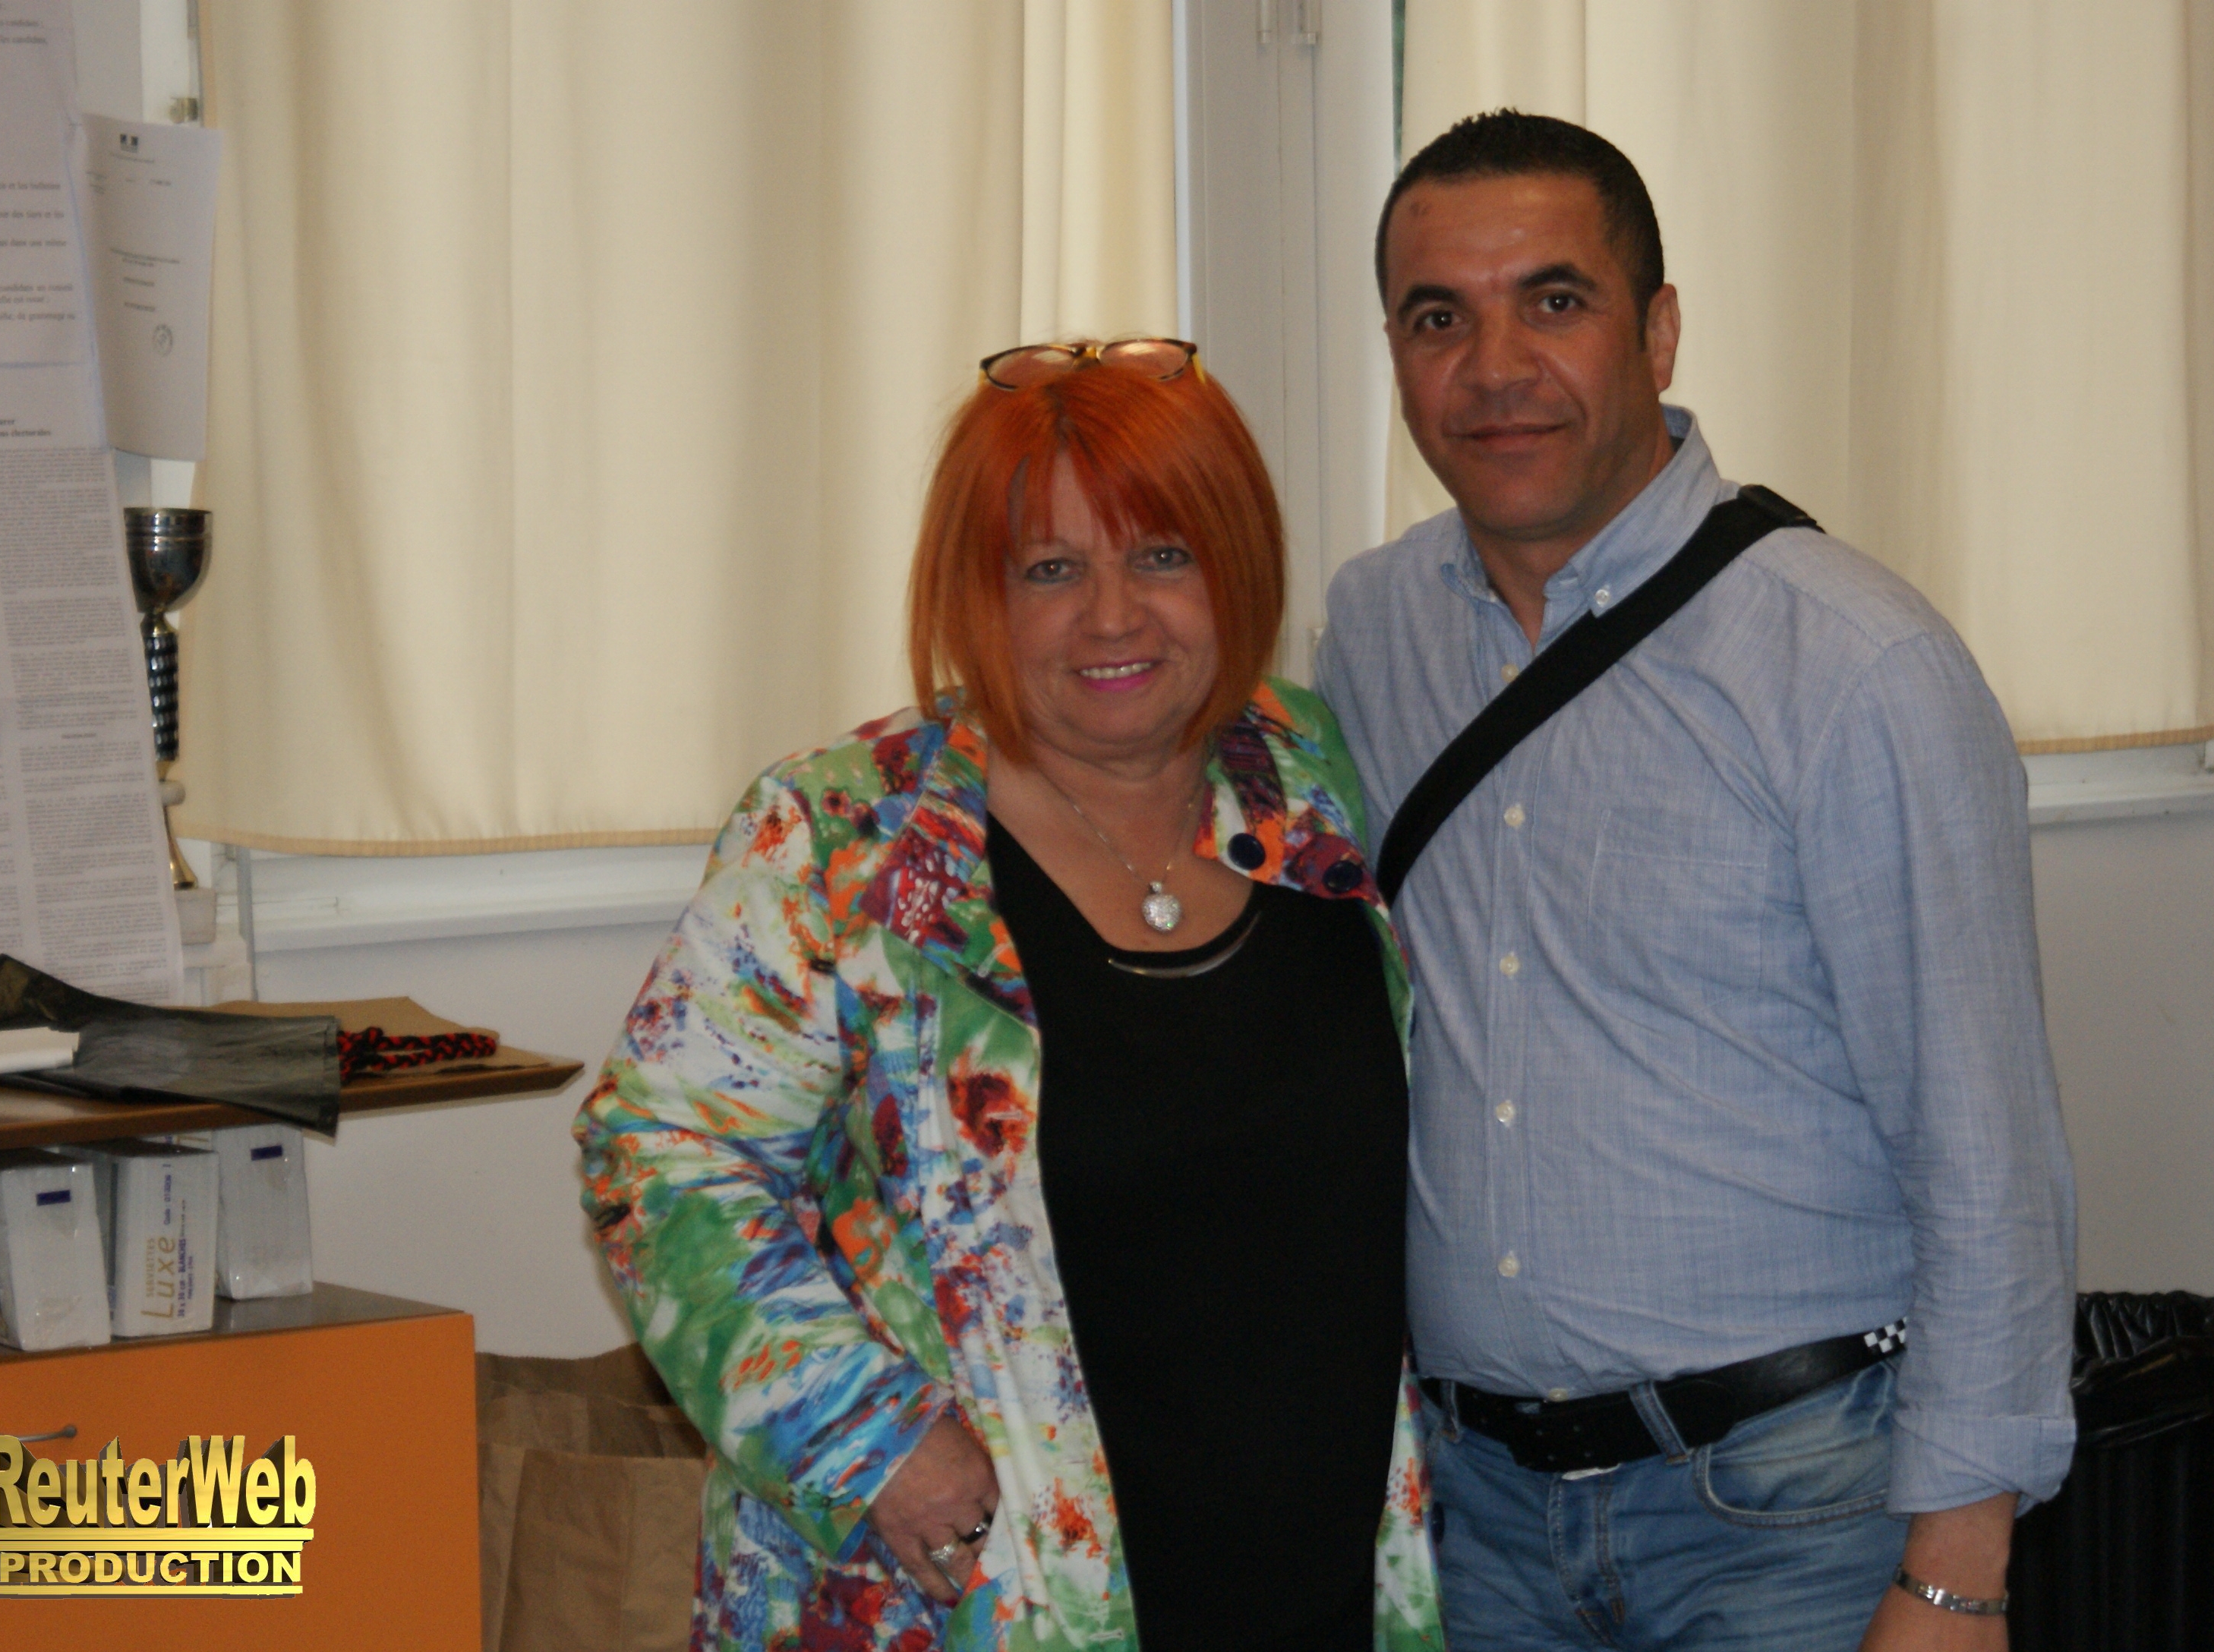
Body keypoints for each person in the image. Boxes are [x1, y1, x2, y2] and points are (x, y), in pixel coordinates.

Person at [1314, 111, 2077, 1651]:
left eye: (1554, 300)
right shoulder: (1371, 633)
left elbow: (1983, 1149)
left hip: (1794, 1507)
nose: (1494, 367)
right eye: (1438, 318)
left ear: (1657, 330)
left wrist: (1958, 1571)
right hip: (1478, 1518)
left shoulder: (1852, 664)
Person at [576, 339, 1441, 1651]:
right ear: (976, 591)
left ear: (1237, 565)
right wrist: (869, 1441)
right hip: (983, 1593)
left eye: (1163, 555)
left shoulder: (1321, 781)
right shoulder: (844, 835)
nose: (1113, 616)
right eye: (1051, 569)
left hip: (1328, 1583)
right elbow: (657, 1155)